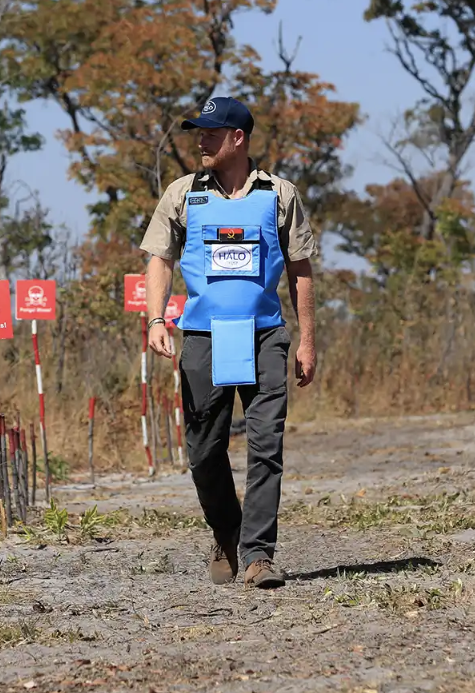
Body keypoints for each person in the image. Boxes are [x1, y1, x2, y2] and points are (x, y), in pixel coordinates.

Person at [138, 96, 317, 589]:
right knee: (203, 449)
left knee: (265, 445)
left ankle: (259, 554)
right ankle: (226, 530)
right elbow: (159, 258)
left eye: (211, 133)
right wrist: (156, 319)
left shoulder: (279, 194)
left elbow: (301, 270)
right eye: (198, 132)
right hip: (202, 338)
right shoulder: (182, 194)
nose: (200, 140)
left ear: (238, 138)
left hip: (264, 337)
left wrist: (307, 341)